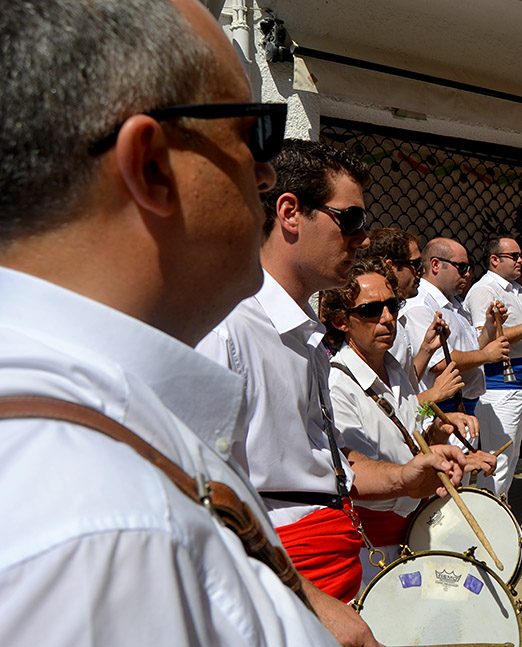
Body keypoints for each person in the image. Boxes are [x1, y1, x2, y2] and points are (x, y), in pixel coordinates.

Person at [0, 1, 352, 645]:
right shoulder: (99, 528)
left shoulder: (102, 452)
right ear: (152, 165)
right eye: (253, 134)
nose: (269, 173)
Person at [196, 140, 465, 613]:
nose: (362, 239)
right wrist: (308, 603)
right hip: (286, 588)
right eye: (351, 220)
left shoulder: (307, 337)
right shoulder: (226, 328)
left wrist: (405, 477)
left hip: (333, 572)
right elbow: (197, 501)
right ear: (290, 212)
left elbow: (327, 468)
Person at [320, 259, 495, 589]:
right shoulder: (336, 385)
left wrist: (445, 437)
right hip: (373, 547)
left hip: (416, 526)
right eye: (372, 310)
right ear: (342, 320)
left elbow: (409, 437)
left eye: (392, 305)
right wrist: (411, 478)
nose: (388, 318)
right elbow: (349, 473)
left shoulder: (394, 367)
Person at [464, 237, 522, 496]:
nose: (520, 261)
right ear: (494, 260)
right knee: (497, 458)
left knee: (509, 456)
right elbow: (485, 340)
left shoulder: (517, 289)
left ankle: (499, 511)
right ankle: (490, 517)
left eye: (520, 256)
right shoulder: (485, 290)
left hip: (519, 384)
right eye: (513, 256)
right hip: (499, 386)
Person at [399, 237, 510, 419]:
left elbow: (472, 349)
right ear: (436, 265)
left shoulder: (453, 302)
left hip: (465, 404)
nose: (467, 274)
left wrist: (490, 326)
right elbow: (439, 362)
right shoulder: (420, 306)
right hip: (443, 408)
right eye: (461, 267)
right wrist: (487, 356)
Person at [355, 227, 465, 408]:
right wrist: (434, 394)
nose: (421, 271)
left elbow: (404, 384)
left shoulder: (398, 317)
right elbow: (385, 405)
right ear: (390, 266)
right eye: (415, 264)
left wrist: (427, 349)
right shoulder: (376, 326)